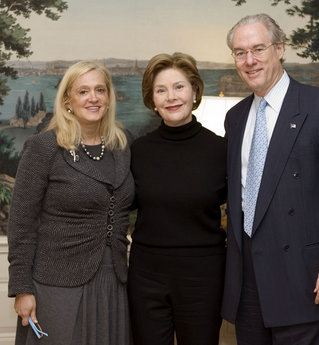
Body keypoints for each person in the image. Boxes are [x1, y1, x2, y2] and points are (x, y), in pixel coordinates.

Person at [221, 14, 319, 345]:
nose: (249, 61)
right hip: (247, 282)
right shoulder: (235, 118)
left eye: (258, 49)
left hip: (305, 279)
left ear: (280, 48)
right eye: (239, 52)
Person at [7, 61, 134, 345]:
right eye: (83, 91)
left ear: (108, 97)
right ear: (68, 100)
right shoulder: (44, 147)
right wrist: (21, 289)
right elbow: (21, 223)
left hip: (112, 280)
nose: (93, 98)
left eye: (100, 90)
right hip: (57, 283)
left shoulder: (123, 147)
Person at [128, 52, 227, 345]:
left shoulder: (221, 150)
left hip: (203, 276)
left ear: (195, 91)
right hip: (147, 275)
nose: (171, 97)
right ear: (153, 100)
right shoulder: (138, 151)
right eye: (161, 90)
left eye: (179, 87)